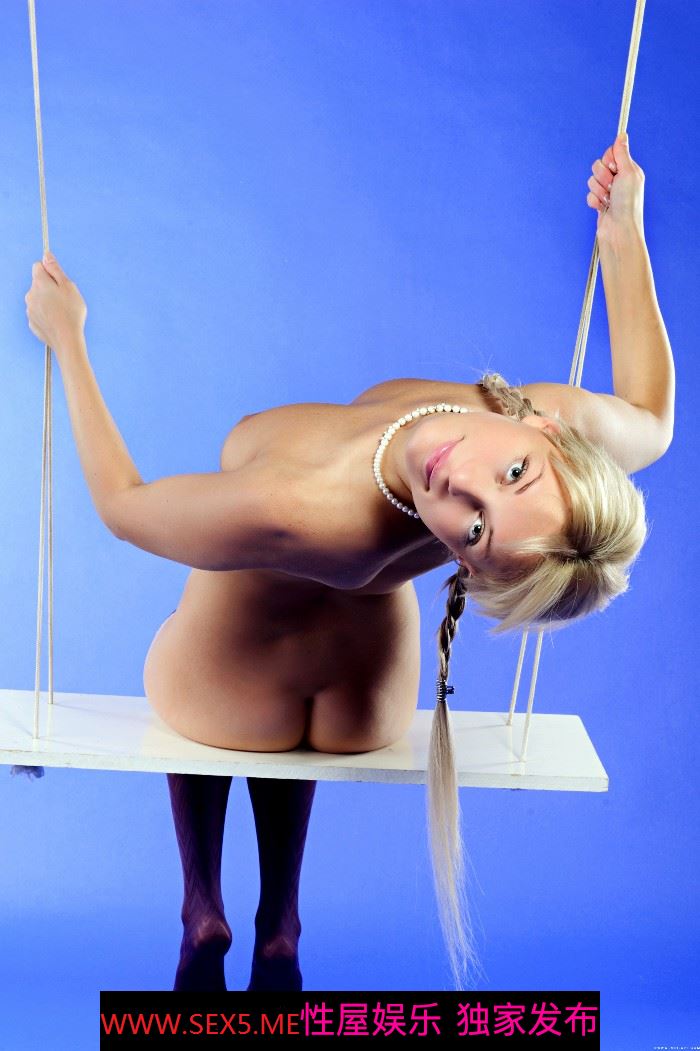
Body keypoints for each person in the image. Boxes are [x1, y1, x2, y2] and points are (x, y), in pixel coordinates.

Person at [23, 133, 674, 991]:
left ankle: (202, 905)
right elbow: (652, 420)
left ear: (470, 571)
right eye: (514, 472)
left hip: (239, 690)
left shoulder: (297, 504)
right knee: (275, 611)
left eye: (475, 531)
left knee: (190, 628)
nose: (460, 482)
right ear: (549, 430)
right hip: (369, 695)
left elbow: (123, 506)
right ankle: (281, 921)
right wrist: (624, 234)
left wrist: (66, 339)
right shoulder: (548, 422)